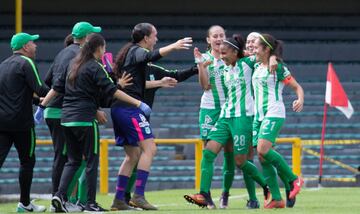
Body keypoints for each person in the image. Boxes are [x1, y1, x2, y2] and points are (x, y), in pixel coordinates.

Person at [38, 33, 151, 212]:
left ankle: (59, 195)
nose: (104, 51)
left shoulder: (73, 65)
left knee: (73, 161)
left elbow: (57, 88)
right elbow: (112, 90)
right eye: (104, 48)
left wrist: (42, 106)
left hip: (66, 120)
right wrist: (138, 103)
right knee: (91, 161)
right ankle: (90, 203)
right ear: (98, 48)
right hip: (85, 119)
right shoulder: (95, 66)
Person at [110, 22, 192, 211]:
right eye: (154, 35)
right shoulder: (137, 51)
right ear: (146, 38)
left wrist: (160, 82)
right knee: (150, 149)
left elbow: (138, 84)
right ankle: (138, 196)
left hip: (120, 109)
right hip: (129, 109)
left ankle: (118, 200)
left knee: (133, 155)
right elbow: (149, 55)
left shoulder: (130, 53)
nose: (156, 39)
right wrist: (174, 46)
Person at [184, 34, 271, 209]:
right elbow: (206, 84)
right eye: (220, 53)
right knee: (208, 153)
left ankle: (266, 187)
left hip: (243, 118)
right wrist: (201, 64)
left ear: (235, 52)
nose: (222, 56)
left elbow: (267, 55)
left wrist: (271, 56)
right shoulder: (224, 69)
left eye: (225, 53)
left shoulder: (247, 63)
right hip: (225, 117)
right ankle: (204, 194)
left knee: (240, 161)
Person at [37, 21, 103, 212]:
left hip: (54, 110)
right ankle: (61, 200)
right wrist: (94, 108)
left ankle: (63, 199)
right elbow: (72, 85)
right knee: (69, 158)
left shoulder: (62, 53)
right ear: (88, 38)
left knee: (67, 157)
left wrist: (42, 105)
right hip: (65, 111)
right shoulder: (80, 55)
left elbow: (48, 82)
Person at [252, 33, 304, 208]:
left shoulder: (278, 68)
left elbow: (297, 86)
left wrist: (300, 99)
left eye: (257, 46)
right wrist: (272, 56)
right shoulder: (257, 64)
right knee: (262, 156)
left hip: (273, 112)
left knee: (263, 149)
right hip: (258, 116)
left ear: (266, 49)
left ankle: (293, 179)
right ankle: (276, 198)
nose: (254, 49)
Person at [0, 32, 49, 212]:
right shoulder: (26, 62)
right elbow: (40, 88)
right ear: (25, 46)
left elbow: (15, 94)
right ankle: (24, 204)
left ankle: (25, 204)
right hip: (21, 124)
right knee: (27, 161)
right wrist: (58, 91)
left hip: (2, 123)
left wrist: (36, 101)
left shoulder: (3, 65)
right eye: (32, 43)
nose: (35, 46)